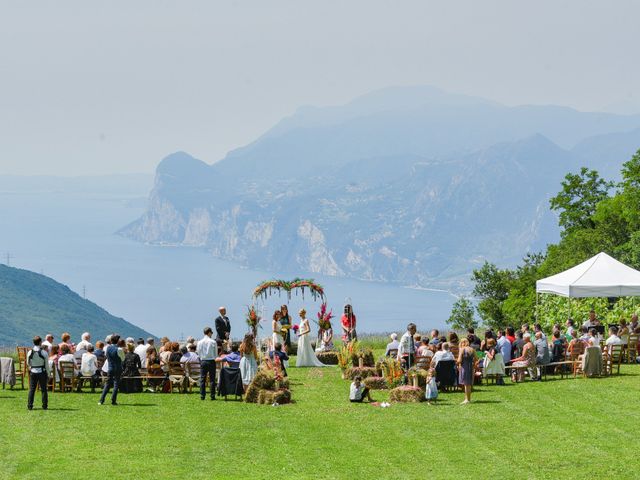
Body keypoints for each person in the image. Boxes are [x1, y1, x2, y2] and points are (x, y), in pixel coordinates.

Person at [99, 335, 124, 405]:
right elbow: (123, 359)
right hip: (118, 368)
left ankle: (101, 400)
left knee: (107, 384)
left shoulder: (108, 348)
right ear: (117, 340)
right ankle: (113, 401)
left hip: (110, 368)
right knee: (116, 384)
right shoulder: (119, 349)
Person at [26, 336, 50, 411]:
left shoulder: (30, 352)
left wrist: (31, 367)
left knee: (32, 389)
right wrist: (49, 374)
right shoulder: (44, 352)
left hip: (33, 371)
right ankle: (44, 405)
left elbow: (28, 363)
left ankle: (30, 405)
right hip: (42, 372)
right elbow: (47, 365)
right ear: (40, 342)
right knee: (44, 389)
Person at [196, 327, 217, 401]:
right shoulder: (213, 342)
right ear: (209, 332)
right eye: (211, 332)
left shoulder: (199, 342)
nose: (211, 334)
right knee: (212, 379)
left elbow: (198, 352)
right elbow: (216, 354)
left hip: (203, 361)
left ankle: (202, 395)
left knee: (202, 379)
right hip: (211, 361)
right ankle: (212, 395)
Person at [457, 338, 475, 404]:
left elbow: (459, 360)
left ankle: (467, 399)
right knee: (469, 384)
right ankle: (468, 399)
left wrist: (456, 361)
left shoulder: (462, 349)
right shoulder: (472, 349)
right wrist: (473, 365)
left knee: (466, 384)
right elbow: (476, 359)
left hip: (464, 367)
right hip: (471, 367)